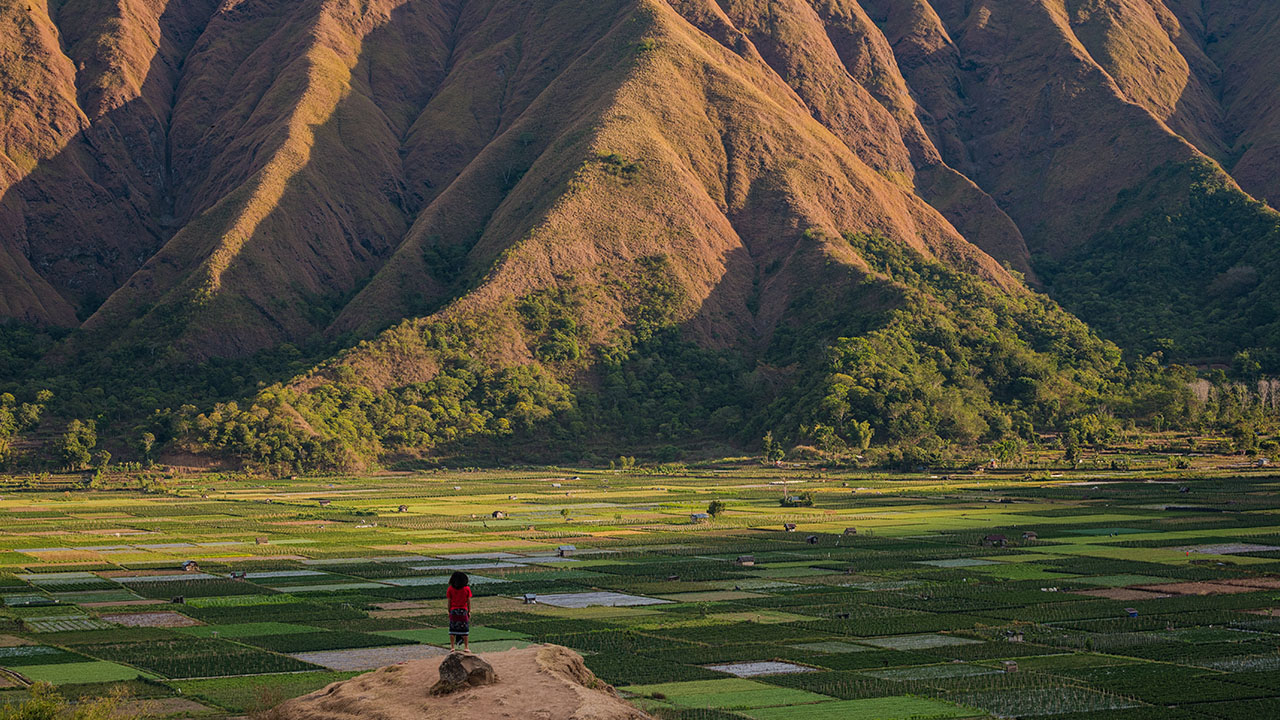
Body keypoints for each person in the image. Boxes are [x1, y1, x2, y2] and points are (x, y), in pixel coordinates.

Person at [446, 571, 472, 651]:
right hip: (463, 611)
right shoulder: (467, 589)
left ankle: (452, 647)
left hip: (453, 611)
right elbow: (468, 601)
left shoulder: (450, 589)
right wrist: (469, 611)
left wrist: (449, 611)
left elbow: (449, 601)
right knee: (465, 630)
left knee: (452, 630)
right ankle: (466, 647)